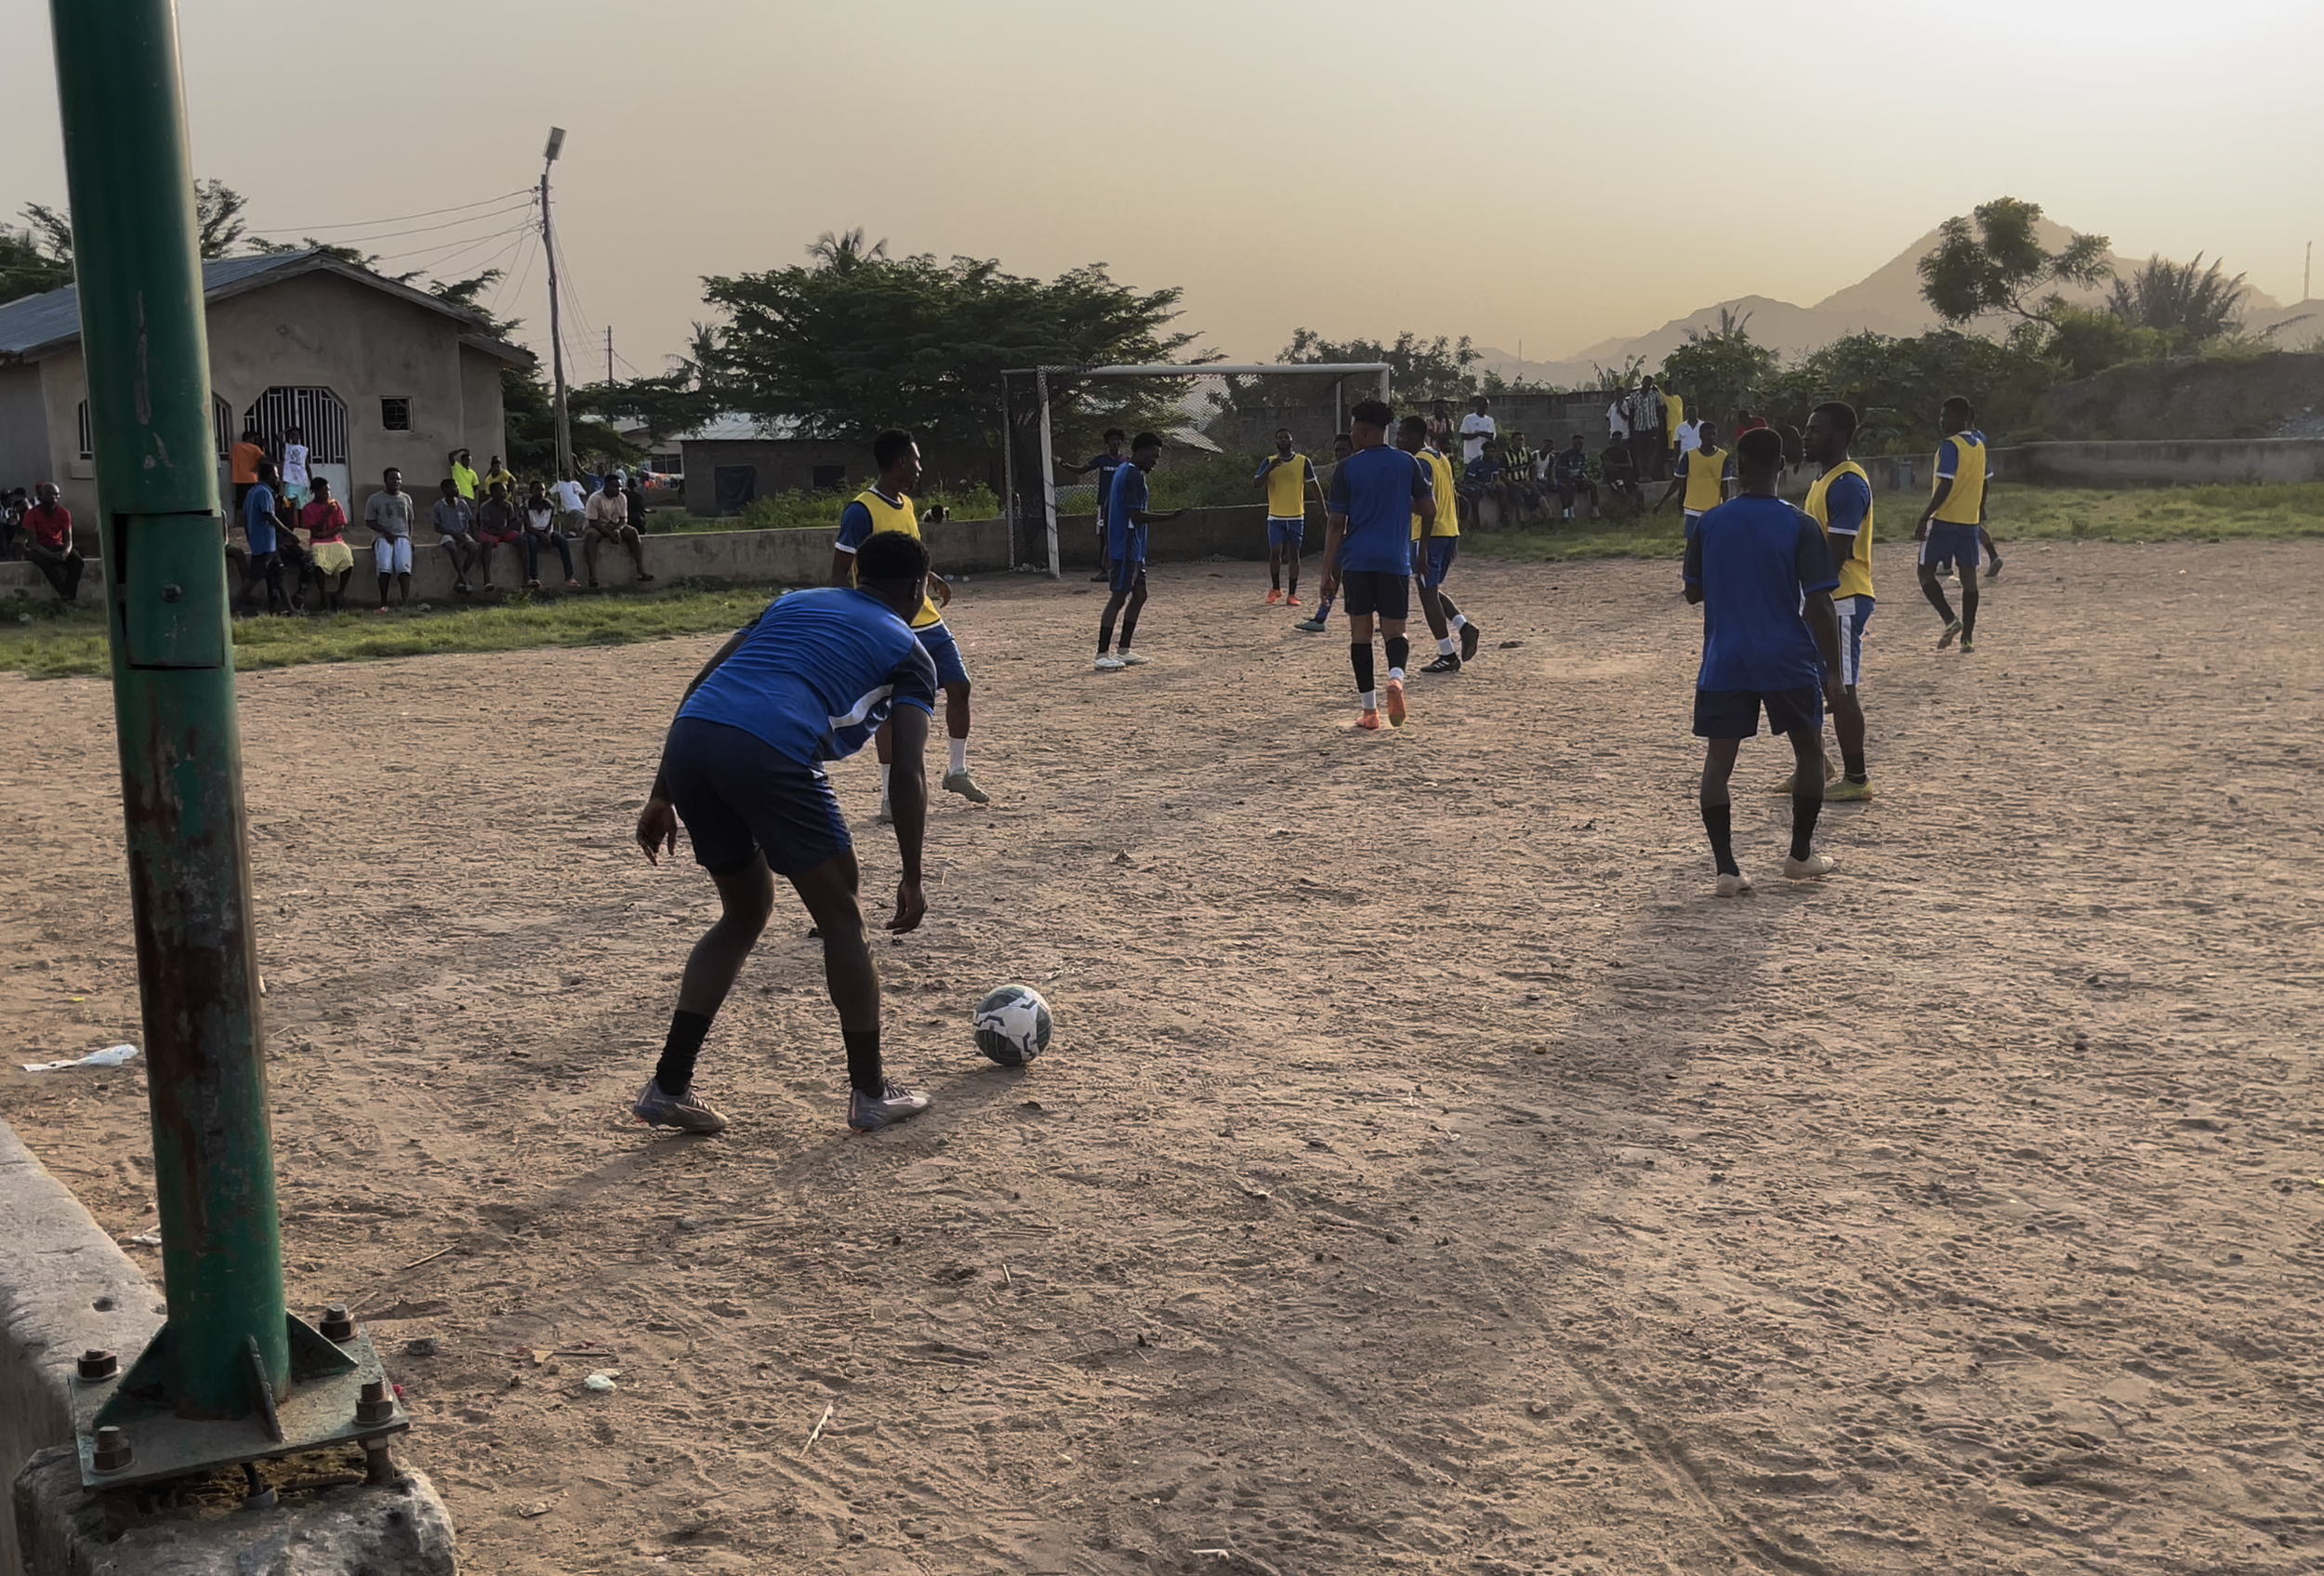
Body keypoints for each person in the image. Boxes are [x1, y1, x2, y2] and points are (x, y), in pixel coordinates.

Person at [630, 528, 942, 1137]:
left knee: (743, 914)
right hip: (770, 748)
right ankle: (871, 1091)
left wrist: (662, 791)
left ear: (859, 577)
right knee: (842, 917)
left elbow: (700, 684)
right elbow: (906, 768)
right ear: (916, 588)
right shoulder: (911, 649)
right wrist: (911, 873)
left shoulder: (792, 601)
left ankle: (669, 1085)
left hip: (694, 738)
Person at [1683, 426, 1846, 897]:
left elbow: (1693, 591)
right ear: (1782, 466)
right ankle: (1800, 855)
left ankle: (1727, 869)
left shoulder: (1709, 524)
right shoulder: (1799, 525)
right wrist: (1833, 672)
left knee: (1718, 763)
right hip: (1786, 658)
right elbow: (1819, 604)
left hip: (1725, 657)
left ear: (1737, 466)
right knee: (1810, 751)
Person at [831, 429, 987, 815]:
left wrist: (931, 579)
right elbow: (840, 572)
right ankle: (888, 796)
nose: (920, 467)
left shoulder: (907, 506)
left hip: (926, 619)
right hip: (887, 622)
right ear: (900, 461)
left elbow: (911, 555)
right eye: (916, 459)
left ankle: (956, 770)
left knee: (960, 686)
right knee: (889, 710)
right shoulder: (861, 510)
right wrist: (854, 619)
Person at [1319, 398, 1432, 731]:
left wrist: (1327, 573)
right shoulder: (1408, 463)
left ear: (1363, 431)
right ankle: (1396, 679)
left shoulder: (1348, 468)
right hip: (1395, 560)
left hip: (1358, 561)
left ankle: (1370, 712)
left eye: (1353, 427)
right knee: (1395, 632)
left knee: (1361, 635)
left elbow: (1336, 524)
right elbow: (1429, 510)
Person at [1787, 401, 1875, 802]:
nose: (1806, 437)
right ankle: (1817, 764)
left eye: (1815, 430)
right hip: (1823, 599)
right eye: (1806, 430)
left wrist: (1810, 602)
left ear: (1839, 436)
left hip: (1840, 599)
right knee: (1810, 683)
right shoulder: (1824, 480)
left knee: (1843, 688)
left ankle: (1857, 778)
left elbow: (1835, 555)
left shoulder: (1848, 484)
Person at [1396, 415, 1482, 675]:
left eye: (1401, 435)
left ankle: (1447, 655)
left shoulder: (1418, 463)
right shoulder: (1440, 458)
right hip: (1447, 532)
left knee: (1427, 593)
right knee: (1428, 590)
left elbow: (1425, 507)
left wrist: (1421, 548)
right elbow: (1454, 497)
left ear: (1413, 436)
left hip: (1428, 535)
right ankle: (1463, 626)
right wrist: (1454, 533)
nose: (1397, 440)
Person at [1093, 431, 1186, 671]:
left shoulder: (1125, 471)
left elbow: (1107, 507)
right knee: (1118, 598)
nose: (1155, 461)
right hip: (1125, 548)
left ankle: (1123, 649)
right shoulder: (1132, 476)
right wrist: (1171, 517)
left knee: (1140, 595)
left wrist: (1105, 543)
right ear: (1142, 451)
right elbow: (1136, 515)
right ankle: (1101, 654)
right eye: (1154, 456)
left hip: (1134, 549)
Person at [1915, 396, 1990, 653]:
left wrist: (1925, 516)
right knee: (1970, 580)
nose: (1941, 420)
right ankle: (1967, 637)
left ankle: (1950, 620)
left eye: (1946, 416)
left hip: (1945, 521)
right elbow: (1984, 482)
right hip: (1969, 524)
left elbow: (1945, 484)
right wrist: (1980, 509)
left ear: (1961, 418)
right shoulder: (1979, 445)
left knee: (1925, 573)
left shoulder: (1949, 446)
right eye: (1941, 415)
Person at [1253, 428, 1323, 607]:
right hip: (1275, 517)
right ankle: (1276, 588)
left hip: (1296, 516)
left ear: (1292, 440)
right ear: (1276, 442)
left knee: (1294, 555)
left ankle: (1292, 593)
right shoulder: (1268, 462)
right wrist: (1269, 468)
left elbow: (1314, 487)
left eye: (1286, 437)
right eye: (1280, 438)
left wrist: (1323, 510)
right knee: (1275, 553)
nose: (1283, 440)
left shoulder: (1302, 462)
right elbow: (1257, 484)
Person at [1294, 433, 1355, 634]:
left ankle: (1383, 618)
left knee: (1354, 577)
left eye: (1343, 449)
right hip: (1346, 535)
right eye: (1336, 450)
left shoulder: (1354, 471)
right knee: (1336, 575)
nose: (1339, 454)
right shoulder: (1343, 471)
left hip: (1356, 534)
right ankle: (1321, 617)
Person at [1059, 429, 1129, 582]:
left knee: (1121, 535)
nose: (1114, 442)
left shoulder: (1126, 461)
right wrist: (1063, 464)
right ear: (1107, 443)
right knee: (1104, 536)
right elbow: (1082, 470)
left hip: (1121, 505)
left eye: (1117, 439)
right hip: (1104, 503)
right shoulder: (1102, 460)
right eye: (1111, 439)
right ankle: (1104, 570)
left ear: (1121, 442)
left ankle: (1120, 568)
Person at [1653, 419, 1732, 541]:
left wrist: (1726, 507)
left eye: (1714, 434)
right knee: (1692, 544)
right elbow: (1677, 481)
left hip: (1714, 508)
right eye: (1708, 434)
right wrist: (1662, 503)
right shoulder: (1689, 456)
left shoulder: (1723, 457)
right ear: (1700, 435)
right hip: (1693, 508)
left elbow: (1725, 485)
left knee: (1712, 542)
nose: (1711, 437)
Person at [234, 461, 287, 615]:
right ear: (271, 475)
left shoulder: (251, 492)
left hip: (265, 543)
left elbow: (244, 518)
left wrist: (249, 537)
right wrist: (287, 533)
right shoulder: (264, 492)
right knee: (252, 579)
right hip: (265, 544)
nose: (278, 478)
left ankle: (291, 609)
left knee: (279, 577)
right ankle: (234, 608)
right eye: (276, 474)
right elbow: (268, 515)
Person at [583, 474, 654, 586]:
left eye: (620, 487)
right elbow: (593, 521)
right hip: (597, 526)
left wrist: (617, 530)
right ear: (606, 486)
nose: (618, 490)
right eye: (615, 487)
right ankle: (592, 576)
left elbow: (623, 519)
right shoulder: (595, 498)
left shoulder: (621, 497)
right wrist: (609, 534)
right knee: (591, 537)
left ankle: (641, 570)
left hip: (614, 525)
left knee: (633, 532)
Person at [363, 466, 416, 610]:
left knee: (404, 568)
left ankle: (404, 601)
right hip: (382, 537)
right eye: (392, 478)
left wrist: (409, 539)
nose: (396, 481)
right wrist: (386, 532)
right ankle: (384, 601)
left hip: (402, 537)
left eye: (398, 479)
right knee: (384, 568)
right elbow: (369, 521)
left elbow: (410, 521)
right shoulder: (375, 499)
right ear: (385, 480)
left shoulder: (406, 498)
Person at [21, 482, 82, 603]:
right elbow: (33, 543)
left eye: (56, 495)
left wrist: (65, 553)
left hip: (57, 547)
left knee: (78, 562)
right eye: (49, 494)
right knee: (47, 563)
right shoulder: (31, 515)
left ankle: (70, 597)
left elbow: (68, 540)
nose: (53, 498)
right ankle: (66, 595)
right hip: (39, 549)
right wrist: (51, 556)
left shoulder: (64, 513)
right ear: (40, 496)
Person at [301, 476, 355, 612]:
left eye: (329, 491)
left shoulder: (335, 505)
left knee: (347, 559)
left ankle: (340, 592)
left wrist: (328, 533)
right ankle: (323, 595)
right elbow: (314, 531)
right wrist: (326, 515)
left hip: (335, 540)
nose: (328, 494)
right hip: (319, 543)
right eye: (324, 491)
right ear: (316, 492)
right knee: (318, 564)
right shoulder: (308, 508)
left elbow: (341, 526)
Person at [521, 481, 581, 589]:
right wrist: (541, 535)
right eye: (537, 489)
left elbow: (550, 524)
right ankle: (534, 577)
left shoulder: (550, 505)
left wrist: (548, 534)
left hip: (546, 531)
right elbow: (528, 526)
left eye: (543, 490)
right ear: (531, 491)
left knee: (562, 541)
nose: (540, 492)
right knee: (532, 542)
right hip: (531, 532)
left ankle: (569, 576)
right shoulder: (525, 506)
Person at [432, 476, 480, 592]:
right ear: (446, 490)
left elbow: (470, 521)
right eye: (455, 487)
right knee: (451, 547)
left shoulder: (462, 503)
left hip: (462, 533)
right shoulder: (439, 506)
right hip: (448, 533)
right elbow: (437, 527)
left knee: (473, 548)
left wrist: (471, 536)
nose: (458, 489)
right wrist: (452, 533)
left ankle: (460, 578)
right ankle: (463, 578)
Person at [474, 480, 523, 589]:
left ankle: (528, 577)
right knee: (488, 543)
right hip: (489, 532)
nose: (505, 493)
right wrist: (499, 531)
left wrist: (504, 530)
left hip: (503, 531)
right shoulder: (485, 506)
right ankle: (487, 580)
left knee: (522, 540)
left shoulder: (508, 505)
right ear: (493, 493)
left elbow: (513, 523)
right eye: (502, 491)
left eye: (505, 491)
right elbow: (487, 526)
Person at [1629, 376, 1666, 483]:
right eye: (1646, 383)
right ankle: (1641, 475)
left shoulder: (1654, 395)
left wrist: (1657, 421)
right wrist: (1632, 427)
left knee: (1652, 452)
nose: (1647, 386)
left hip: (1652, 427)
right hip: (1639, 428)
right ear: (1642, 382)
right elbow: (1631, 411)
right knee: (1639, 452)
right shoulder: (1634, 396)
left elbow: (1662, 408)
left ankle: (1648, 474)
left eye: (1649, 384)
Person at [1553, 434, 1596, 519]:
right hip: (1566, 479)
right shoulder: (1565, 455)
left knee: (1593, 485)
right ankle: (1569, 511)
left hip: (1578, 479)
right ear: (1573, 443)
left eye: (1580, 444)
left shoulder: (1582, 456)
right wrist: (1575, 479)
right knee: (1570, 486)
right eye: (1577, 444)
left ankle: (1595, 508)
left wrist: (1584, 477)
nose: (1578, 446)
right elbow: (1562, 472)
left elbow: (1582, 470)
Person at [1601, 435, 1642, 511]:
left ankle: (1640, 511)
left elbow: (1630, 465)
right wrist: (1623, 466)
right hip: (1615, 479)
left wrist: (1617, 465)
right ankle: (1624, 511)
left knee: (1639, 492)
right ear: (1612, 441)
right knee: (1622, 490)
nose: (1618, 442)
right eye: (1616, 440)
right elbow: (1610, 468)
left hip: (1626, 478)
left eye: (1619, 440)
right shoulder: (1607, 453)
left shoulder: (1625, 451)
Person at [231, 425, 265, 512]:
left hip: (239, 478)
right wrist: (256, 467)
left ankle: (239, 524)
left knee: (240, 504)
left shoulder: (236, 447)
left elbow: (230, 458)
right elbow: (265, 457)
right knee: (252, 503)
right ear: (251, 438)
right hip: (251, 478)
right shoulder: (255, 449)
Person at [1459, 395, 1497, 469]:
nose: (1484, 408)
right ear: (1477, 405)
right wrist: (1479, 434)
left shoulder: (1490, 420)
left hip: (1485, 457)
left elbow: (1493, 437)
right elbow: (1463, 436)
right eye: (1482, 405)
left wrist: (1486, 435)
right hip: (1472, 456)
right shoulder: (1469, 418)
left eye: (1486, 406)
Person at [280, 425, 310, 510]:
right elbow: (278, 436)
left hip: (301, 480)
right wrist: (288, 429)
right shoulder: (287, 447)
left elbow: (307, 467)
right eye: (292, 435)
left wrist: (311, 480)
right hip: (290, 480)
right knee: (288, 504)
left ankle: (301, 523)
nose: (294, 437)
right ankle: (289, 523)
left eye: (296, 435)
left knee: (300, 507)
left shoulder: (303, 450)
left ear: (299, 437)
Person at [1660, 384, 1686, 479]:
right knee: (1672, 450)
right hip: (1671, 427)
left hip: (1681, 427)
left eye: (1671, 387)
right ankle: (1674, 473)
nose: (1669, 389)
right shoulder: (1664, 397)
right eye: (1667, 387)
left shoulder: (1678, 398)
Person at [551, 470, 588, 535]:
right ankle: (574, 530)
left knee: (589, 517)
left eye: (569, 474)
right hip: (570, 508)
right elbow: (550, 492)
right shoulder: (560, 484)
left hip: (580, 507)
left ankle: (581, 533)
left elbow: (584, 493)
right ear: (563, 476)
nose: (569, 476)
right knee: (583, 516)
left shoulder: (576, 484)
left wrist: (583, 504)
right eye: (566, 475)